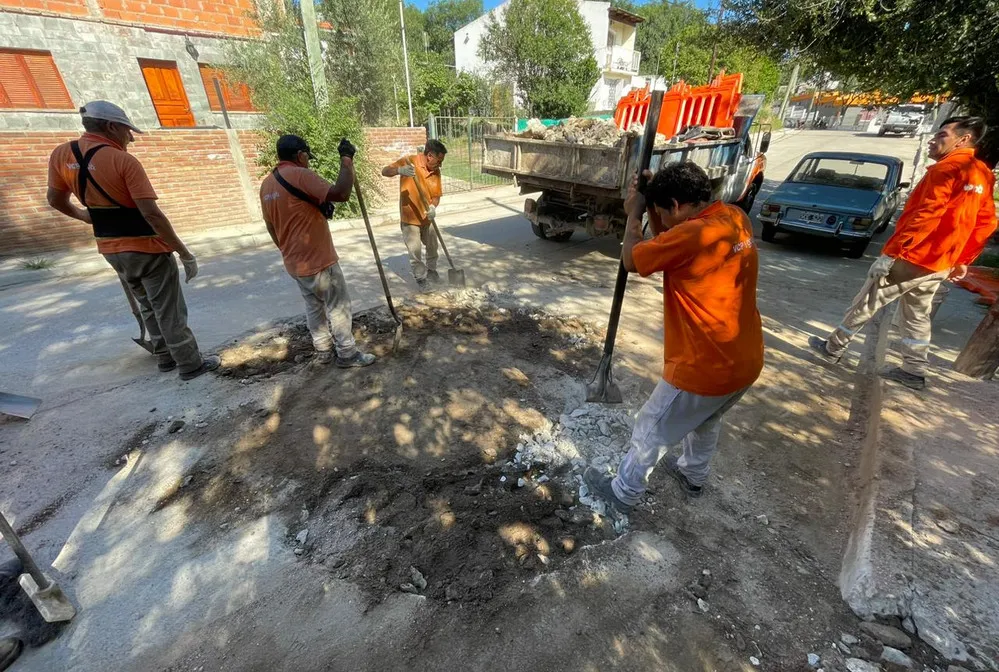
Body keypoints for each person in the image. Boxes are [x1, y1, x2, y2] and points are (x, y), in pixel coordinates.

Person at [584, 163, 764, 512]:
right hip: (746, 360)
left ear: (678, 205)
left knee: (650, 427)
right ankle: (693, 476)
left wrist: (634, 211)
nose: (661, 217)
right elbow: (665, 235)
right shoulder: (733, 216)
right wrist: (652, 201)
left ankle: (623, 493)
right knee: (705, 421)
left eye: (664, 209)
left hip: (705, 366)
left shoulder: (692, 236)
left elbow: (632, 260)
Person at [809, 116, 997, 390]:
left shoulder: (946, 170)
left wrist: (892, 253)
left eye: (943, 134)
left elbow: (925, 215)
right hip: (941, 262)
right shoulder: (982, 173)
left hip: (914, 258)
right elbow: (986, 223)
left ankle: (833, 348)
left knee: (866, 302)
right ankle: (913, 369)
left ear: (963, 139)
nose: (934, 139)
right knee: (917, 315)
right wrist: (962, 260)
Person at [46, 101, 219, 380]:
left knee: (147, 304)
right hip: (146, 249)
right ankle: (190, 364)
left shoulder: (61, 155)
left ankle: (164, 358)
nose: (132, 137)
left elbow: (55, 199)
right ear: (111, 127)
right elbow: (151, 214)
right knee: (169, 308)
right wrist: (183, 252)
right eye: (127, 131)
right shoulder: (122, 161)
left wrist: (83, 215)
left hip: (110, 248)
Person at [260, 134, 374, 368]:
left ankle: (322, 348)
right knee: (338, 304)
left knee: (313, 304)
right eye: (307, 157)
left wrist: (286, 249)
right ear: (300, 155)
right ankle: (347, 352)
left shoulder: (267, 184)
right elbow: (341, 193)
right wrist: (346, 160)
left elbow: (271, 225)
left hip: (295, 262)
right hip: (318, 259)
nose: (308, 161)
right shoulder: (300, 175)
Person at [381, 139, 447, 290]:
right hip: (409, 218)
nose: (440, 165)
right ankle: (421, 279)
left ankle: (431, 271)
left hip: (426, 217)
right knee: (415, 251)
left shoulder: (436, 172)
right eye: (439, 160)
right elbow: (384, 171)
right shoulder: (408, 162)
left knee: (432, 246)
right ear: (430, 155)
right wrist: (399, 170)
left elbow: (436, 196)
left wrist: (432, 206)